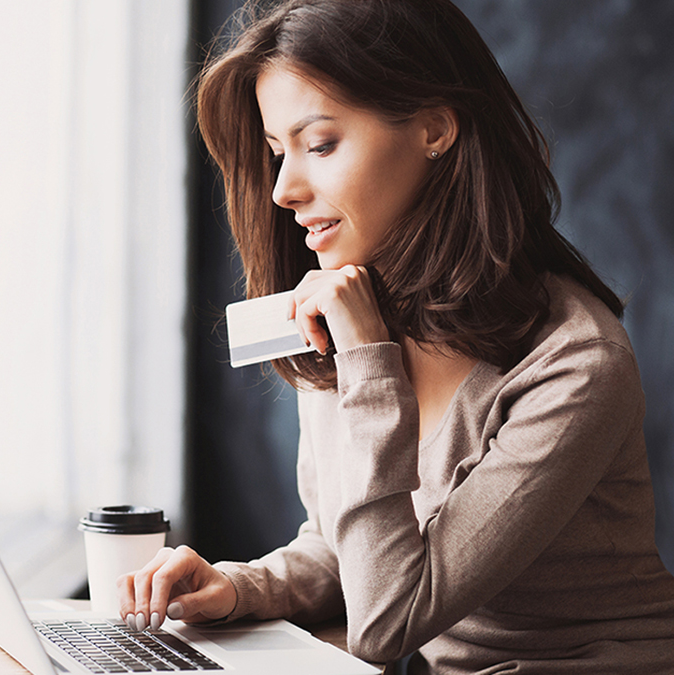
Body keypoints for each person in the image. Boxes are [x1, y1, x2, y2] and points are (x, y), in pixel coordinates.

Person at [117, 0, 674, 672]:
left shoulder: (577, 364)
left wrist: (367, 362)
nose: (283, 190)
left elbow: (388, 618)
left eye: (319, 144)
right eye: (276, 153)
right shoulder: (353, 310)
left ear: (434, 128)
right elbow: (351, 546)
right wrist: (241, 586)